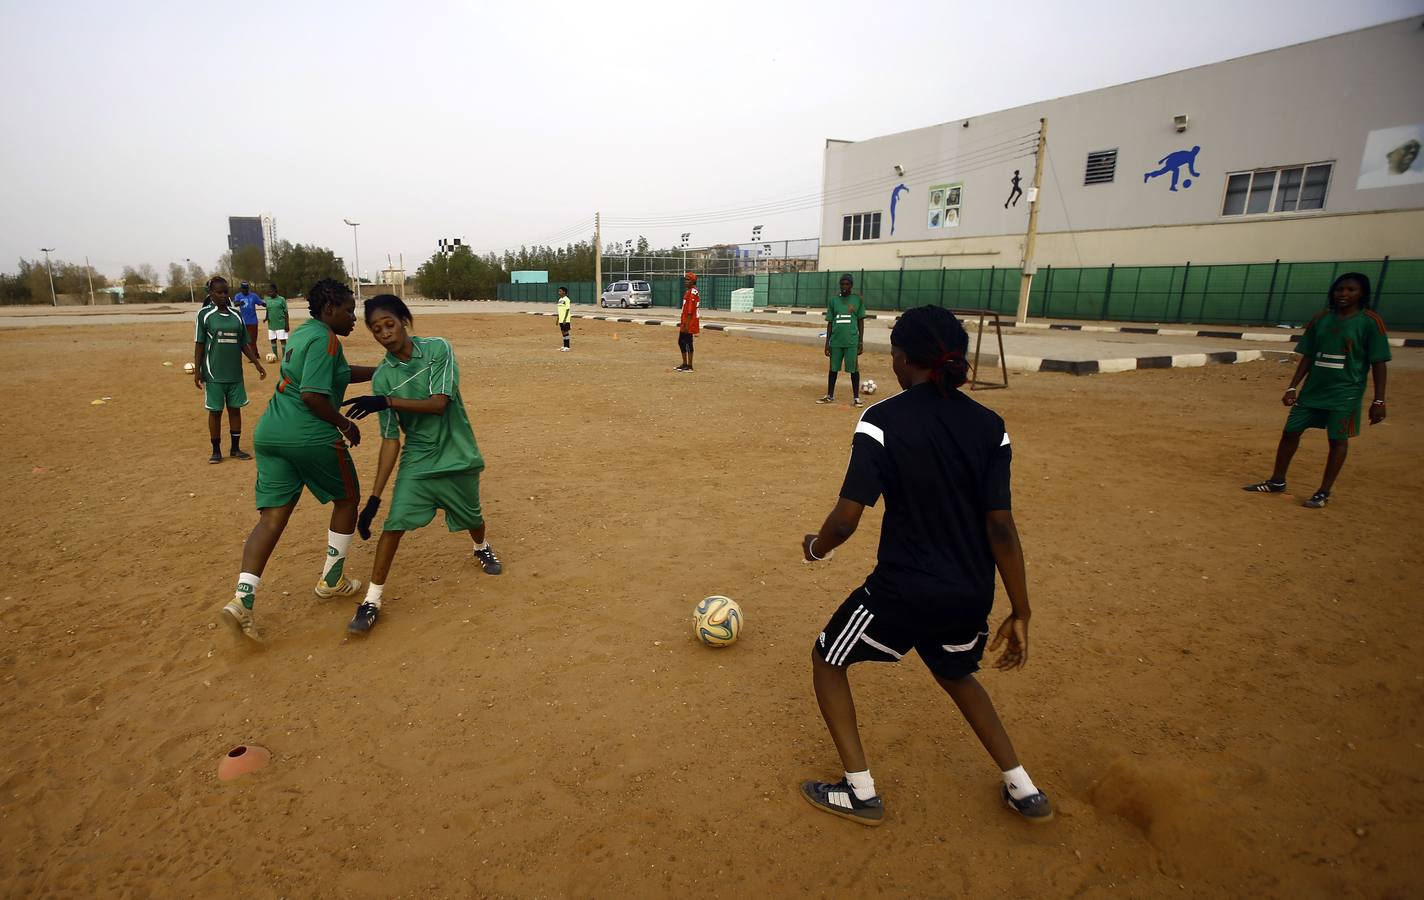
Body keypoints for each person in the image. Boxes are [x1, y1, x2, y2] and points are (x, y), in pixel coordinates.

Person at [798, 305, 1051, 827]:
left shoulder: (882, 420)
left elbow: (847, 519)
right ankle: (1023, 788)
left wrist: (816, 548)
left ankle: (860, 791)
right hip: (969, 592)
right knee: (955, 671)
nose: (890, 362)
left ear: (907, 359)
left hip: (904, 590)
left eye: (893, 353)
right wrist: (1020, 610)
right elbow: (1001, 527)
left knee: (827, 658)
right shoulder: (990, 426)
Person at [220, 279, 377, 642]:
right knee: (348, 499)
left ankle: (242, 601)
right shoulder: (327, 339)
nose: (354, 317)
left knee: (272, 519)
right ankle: (332, 580)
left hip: (272, 431)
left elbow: (336, 373)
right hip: (308, 434)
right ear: (328, 310)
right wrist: (345, 424)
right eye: (349, 310)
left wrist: (379, 372)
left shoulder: (307, 333)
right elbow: (312, 395)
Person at [338, 295, 503, 635]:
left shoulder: (438, 350)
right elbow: (390, 441)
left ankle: (481, 547)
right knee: (394, 524)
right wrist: (374, 499)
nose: (384, 333)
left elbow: (439, 404)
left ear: (404, 320)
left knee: (473, 516)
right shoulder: (382, 376)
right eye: (375, 329)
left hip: (457, 452)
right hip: (419, 458)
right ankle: (372, 601)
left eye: (389, 324)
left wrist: (386, 401)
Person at [1242, 272, 1390, 508]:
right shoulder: (1321, 318)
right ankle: (1277, 481)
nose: (1344, 294)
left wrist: (1379, 401)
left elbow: (1379, 362)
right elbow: (1308, 355)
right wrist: (1292, 387)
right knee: (1290, 432)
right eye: (1340, 289)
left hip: (1345, 393)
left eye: (1351, 290)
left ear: (1362, 293)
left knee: (1337, 440)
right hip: (1312, 391)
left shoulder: (1370, 322)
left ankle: (1323, 491)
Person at [193, 276, 266, 463]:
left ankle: (235, 448)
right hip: (214, 373)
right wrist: (198, 371)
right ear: (211, 294)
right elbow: (200, 344)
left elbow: (244, 343)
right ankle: (216, 450)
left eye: (226, 291)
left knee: (235, 410)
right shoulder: (205, 315)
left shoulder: (236, 315)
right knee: (215, 412)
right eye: (219, 292)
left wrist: (257, 364)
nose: (224, 295)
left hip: (235, 374)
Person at [817, 274, 867, 407]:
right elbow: (830, 323)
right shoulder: (833, 301)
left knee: (853, 369)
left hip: (851, 341)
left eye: (847, 284)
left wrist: (860, 342)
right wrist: (827, 343)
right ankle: (830, 395)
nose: (844, 287)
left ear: (851, 285)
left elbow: (860, 322)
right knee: (833, 369)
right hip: (836, 341)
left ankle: (856, 398)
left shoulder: (857, 300)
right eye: (842, 284)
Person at [676, 272, 700, 372]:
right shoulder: (689, 291)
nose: (686, 281)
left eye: (688, 280)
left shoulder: (693, 292)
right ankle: (684, 363)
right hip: (685, 321)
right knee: (681, 342)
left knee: (688, 343)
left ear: (693, 281)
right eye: (685, 279)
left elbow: (690, 310)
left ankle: (689, 366)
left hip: (689, 322)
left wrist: (686, 324)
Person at [233, 280, 265, 346]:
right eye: (243, 288)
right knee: (245, 340)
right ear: (241, 288)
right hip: (243, 322)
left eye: (246, 288)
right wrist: (239, 303)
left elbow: (261, 303)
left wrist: (270, 304)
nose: (244, 290)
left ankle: (253, 354)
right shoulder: (238, 296)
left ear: (248, 288)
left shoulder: (254, 296)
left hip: (253, 321)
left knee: (253, 339)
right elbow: (235, 304)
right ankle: (254, 353)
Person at [264, 284, 289, 361]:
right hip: (271, 325)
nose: (269, 293)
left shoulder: (281, 299)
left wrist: (287, 324)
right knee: (273, 339)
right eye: (268, 292)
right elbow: (268, 310)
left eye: (271, 292)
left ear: (276, 291)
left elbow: (286, 312)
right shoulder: (268, 300)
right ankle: (275, 356)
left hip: (281, 324)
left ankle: (284, 357)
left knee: (282, 340)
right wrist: (266, 318)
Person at [556, 286, 572, 352]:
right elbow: (559, 310)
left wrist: (565, 319)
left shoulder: (567, 299)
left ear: (564, 292)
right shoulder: (560, 300)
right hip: (561, 319)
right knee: (563, 332)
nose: (559, 292)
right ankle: (564, 346)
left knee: (566, 332)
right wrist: (557, 319)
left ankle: (567, 347)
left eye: (560, 291)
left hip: (566, 319)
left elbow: (567, 309)